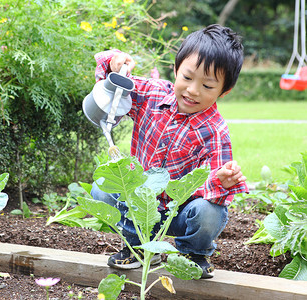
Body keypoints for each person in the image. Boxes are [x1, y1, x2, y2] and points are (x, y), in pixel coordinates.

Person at [90, 24, 248, 279]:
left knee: (209, 212)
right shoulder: (153, 94)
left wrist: (222, 180)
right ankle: (138, 246)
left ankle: (192, 253)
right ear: (175, 70)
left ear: (224, 91)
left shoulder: (215, 130)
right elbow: (113, 85)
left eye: (208, 86)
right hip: (139, 204)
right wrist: (116, 63)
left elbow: (214, 190)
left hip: (179, 212)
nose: (193, 90)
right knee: (101, 187)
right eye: (187, 78)